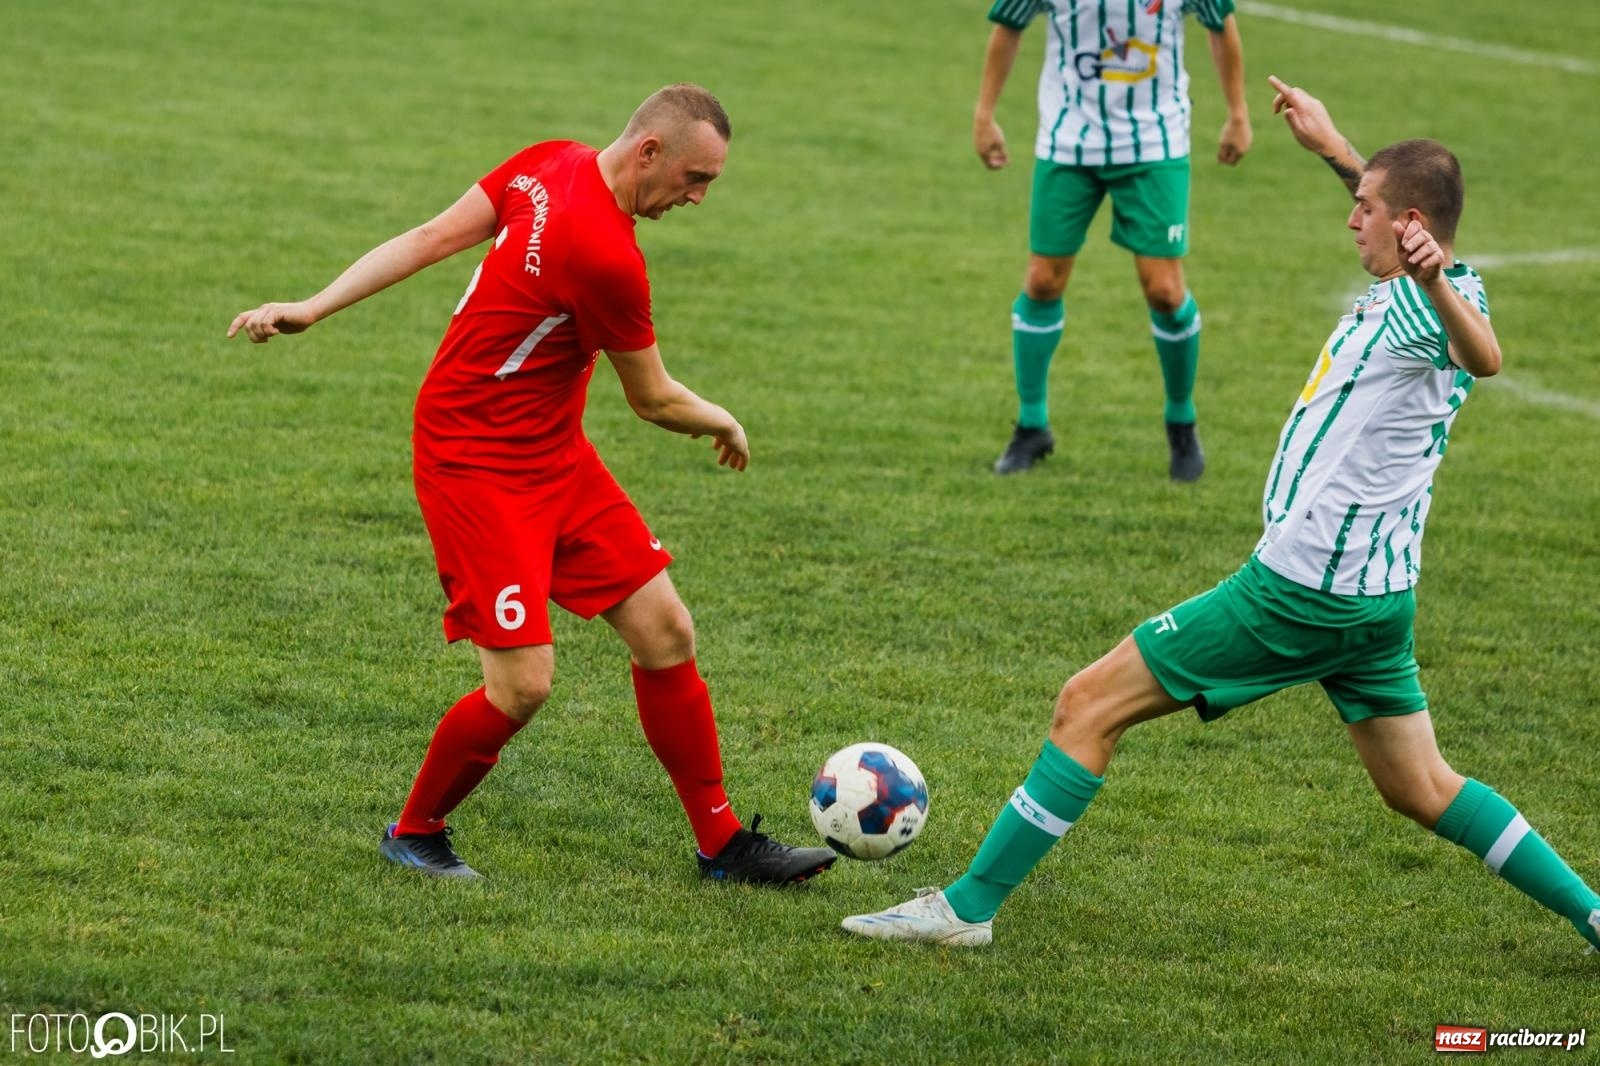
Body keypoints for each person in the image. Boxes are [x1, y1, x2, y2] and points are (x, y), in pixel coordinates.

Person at [841, 76, 1600, 952]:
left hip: (1299, 592)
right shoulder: (1449, 275)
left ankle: (967, 907)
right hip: (1376, 600)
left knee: (1086, 705)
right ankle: (1592, 914)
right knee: (1422, 786)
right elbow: (1424, 255)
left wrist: (1428, 284)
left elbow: (1486, 355)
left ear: (1411, 229)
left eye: (1365, 209)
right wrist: (1332, 147)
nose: (1351, 218)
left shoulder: (1429, 312)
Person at [228, 84, 836, 886]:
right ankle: (414, 831)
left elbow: (433, 234)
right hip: (474, 461)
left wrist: (315, 306)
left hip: (551, 450)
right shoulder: (607, 255)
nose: (698, 197)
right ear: (648, 151)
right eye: (697, 178)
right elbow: (652, 399)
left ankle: (721, 843)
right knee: (522, 684)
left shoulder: (551, 162)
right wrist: (723, 420)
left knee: (666, 631)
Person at [978, 0, 1251, 479]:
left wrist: (1238, 112)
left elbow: (1220, 24)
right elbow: (1008, 24)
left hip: (1155, 145)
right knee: (1042, 280)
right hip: (1067, 142)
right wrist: (985, 114)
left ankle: (1181, 421)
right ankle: (1032, 425)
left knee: (1165, 291)